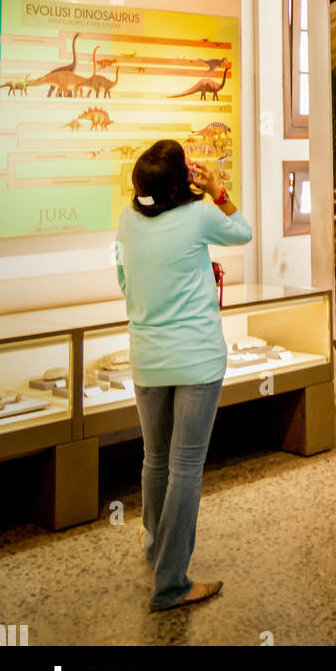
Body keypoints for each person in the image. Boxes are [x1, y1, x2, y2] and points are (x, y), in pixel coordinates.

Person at [115, 139, 252, 611]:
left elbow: (123, 279)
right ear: (182, 181)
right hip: (196, 359)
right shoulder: (199, 216)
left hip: (147, 358)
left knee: (155, 459)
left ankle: (155, 548)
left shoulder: (127, 220)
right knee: (186, 468)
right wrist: (218, 189)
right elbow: (243, 231)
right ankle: (172, 583)